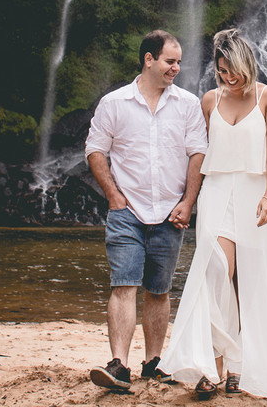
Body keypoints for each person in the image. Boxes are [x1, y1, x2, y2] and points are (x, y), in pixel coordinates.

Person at [161, 28, 267, 400]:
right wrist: (185, 199)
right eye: (221, 71)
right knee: (216, 272)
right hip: (218, 191)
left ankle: (238, 367)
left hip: (256, 193)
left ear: (246, 62)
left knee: (249, 281)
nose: (228, 77)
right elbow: (198, 151)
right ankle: (212, 365)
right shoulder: (209, 100)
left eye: (232, 69)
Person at [85, 29, 208, 392]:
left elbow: (198, 153)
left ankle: (153, 362)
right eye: (171, 61)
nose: (176, 68)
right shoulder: (114, 103)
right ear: (149, 59)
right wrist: (112, 194)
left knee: (159, 290)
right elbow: (95, 149)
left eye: (179, 62)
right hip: (127, 210)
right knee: (123, 285)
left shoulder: (187, 104)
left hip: (170, 212)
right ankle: (119, 365)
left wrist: (188, 203)